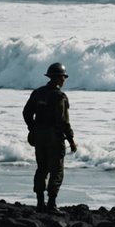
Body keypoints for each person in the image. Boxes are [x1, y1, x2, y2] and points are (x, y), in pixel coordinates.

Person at [22, 62, 78, 213]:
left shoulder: (38, 93)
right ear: (59, 78)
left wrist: (32, 128)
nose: (64, 80)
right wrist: (71, 139)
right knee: (57, 170)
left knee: (42, 168)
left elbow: (26, 113)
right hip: (54, 137)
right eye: (63, 77)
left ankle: (40, 203)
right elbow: (63, 121)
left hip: (39, 136)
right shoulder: (60, 96)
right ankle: (51, 204)